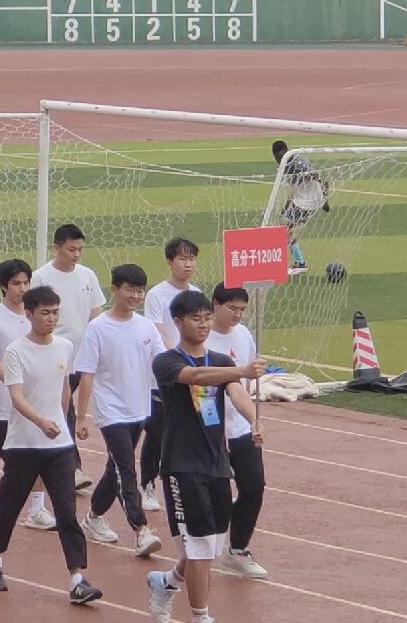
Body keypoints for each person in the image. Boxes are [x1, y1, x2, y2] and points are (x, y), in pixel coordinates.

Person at [147, 290, 266, 623]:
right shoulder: (167, 361)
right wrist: (242, 370)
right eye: (196, 318)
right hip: (182, 464)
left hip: (216, 462)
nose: (203, 324)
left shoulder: (222, 361)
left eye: (207, 318)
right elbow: (196, 377)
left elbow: (236, 392)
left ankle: (166, 582)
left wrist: (254, 419)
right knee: (198, 546)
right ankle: (201, 616)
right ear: (178, 322)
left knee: (207, 546)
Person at [0, 287, 102, 606]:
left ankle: (77, 578)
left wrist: (63, 422)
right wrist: (40, 421)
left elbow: (64, 389)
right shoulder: (16, 352)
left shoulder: (65, 346)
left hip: (58, 446)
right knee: (9, 506)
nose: (51, 318)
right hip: (23, 444)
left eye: (55, 312)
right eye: (45, 312)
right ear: (29, 314)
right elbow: (16, 396)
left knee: (66, 510)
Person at [73, 264, 165, 558]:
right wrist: (82, 416)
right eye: (130, 290)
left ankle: (94, 516)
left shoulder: (146, 326)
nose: (135, 296)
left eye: (140, 291)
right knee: (126, 468)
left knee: (114, 468)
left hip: (139, 409)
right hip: (111, 412)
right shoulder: (98, 328)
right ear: (115, 290)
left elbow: (162, 363)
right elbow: (86, 373)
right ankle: (141, 529)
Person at [0, 259, 56, 530]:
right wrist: (14, 383)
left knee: (38, 452)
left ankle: (37, 509)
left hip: (35, 401)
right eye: (16, 283)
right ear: (3, 286)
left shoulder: (35, 315)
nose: (22, 288)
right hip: (2, 402)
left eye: (26, 282)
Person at [30, 224, 106, 492]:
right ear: (57, 248)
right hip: (53, 358)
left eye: (80, 249)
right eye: (71, 249)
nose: (76, 254)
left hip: (81, 358)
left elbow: (96, 313)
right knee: (64, 410)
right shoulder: (41, 277)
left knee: (64, 410)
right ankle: (71, 468)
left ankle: (58, 466)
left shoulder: (87, 276)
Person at [205, 284, 268, 579]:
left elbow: (245, 383)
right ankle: (198, 553)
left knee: (254, 487)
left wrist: (254, 419)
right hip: (210, 430)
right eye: (232, 308)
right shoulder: (203, 339)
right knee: (216, 495)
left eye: (243, 309)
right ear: (215, 305)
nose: (238, 315)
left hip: (241, 427)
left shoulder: (243, 334)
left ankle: (238, 550)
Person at [142, 238, 201, 511]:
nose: (188, 264)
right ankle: (147, 484)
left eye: (191, 259)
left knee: (187, 431)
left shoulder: (197, 294)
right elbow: (157, 331)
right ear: (169, 262)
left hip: (192, 374)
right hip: (164, 375)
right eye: (182, 259)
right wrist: (178, 359)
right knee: (157, 432)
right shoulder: (157, 295)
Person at [272, 140, 331, 275]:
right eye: (276, 156)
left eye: (280, 155)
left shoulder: (298, 164)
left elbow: (321, 179)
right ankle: (299, 262)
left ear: (286, 150)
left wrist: (325, 201)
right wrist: (287, 205)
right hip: (302, 201)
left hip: (307, 203)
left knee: (285, 230)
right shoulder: (286, 162)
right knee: (285, 229)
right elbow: (295, 187)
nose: (278, 159)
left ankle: (300, 263)